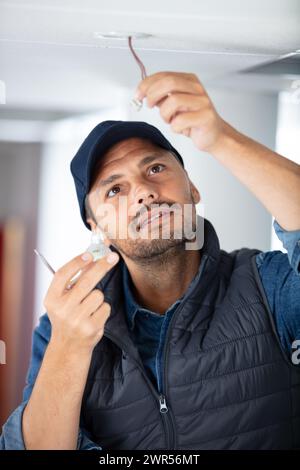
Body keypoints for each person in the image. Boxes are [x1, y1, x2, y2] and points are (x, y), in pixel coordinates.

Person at [1, 72, 300, 450]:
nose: (142, 191)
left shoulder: (268, 286)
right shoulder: (63, 329)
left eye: (155, 169)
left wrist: (221, 138)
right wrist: (69, 346)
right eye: (115, 189)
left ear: (192, 189)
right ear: (98, 228)